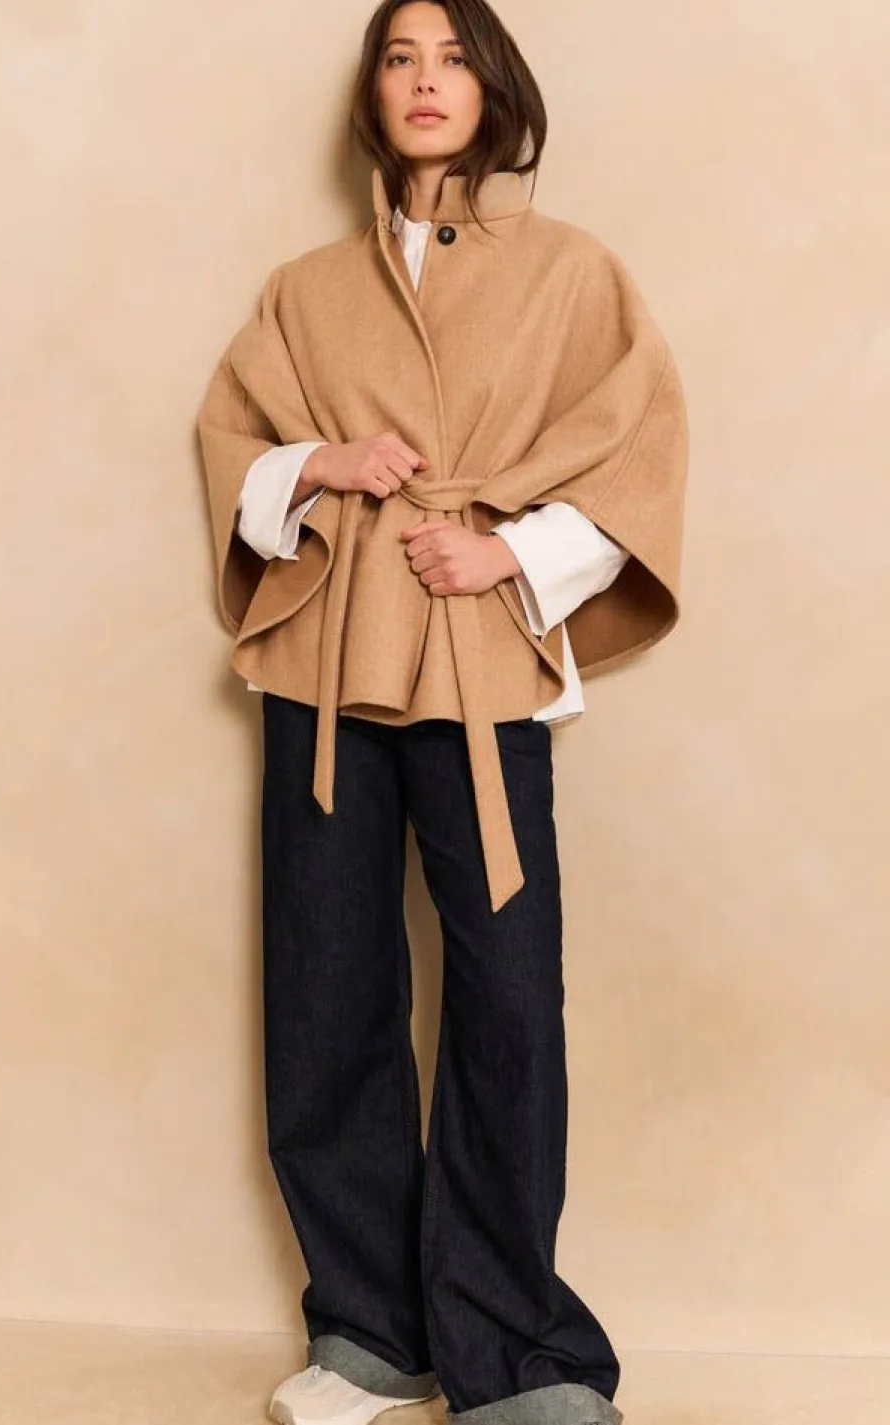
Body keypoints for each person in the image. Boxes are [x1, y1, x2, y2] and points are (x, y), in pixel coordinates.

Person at [196, 2, 688, 1422]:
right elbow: (234, 443)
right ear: (372, 93)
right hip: (328, 664)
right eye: (400, 59)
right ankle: (367, 1328)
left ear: (494, 84)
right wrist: (321, 465)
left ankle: (515, 1350)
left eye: (454, 56)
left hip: (479, 664)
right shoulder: (305, 287)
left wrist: (510, 556)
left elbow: (638, 446)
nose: (427, 81)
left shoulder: (573, 273)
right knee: (325, 987)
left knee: (506, 999)